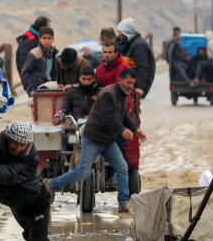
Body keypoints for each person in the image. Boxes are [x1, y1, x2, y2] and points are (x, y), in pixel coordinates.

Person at [44, 68, 147, 213]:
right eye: (128, 82)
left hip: (108, 141)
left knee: (122, 167)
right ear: (120, 81)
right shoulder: (107, 94)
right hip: (93, 137)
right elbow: (107, 116)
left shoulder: (124, 95)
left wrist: (136, 130)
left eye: (133, 83)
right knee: (82, 172)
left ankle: (123, 203)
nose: (131, 86)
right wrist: (122, 130)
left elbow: (122, 117)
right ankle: (52, 184)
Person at [116, 17, 156, 97]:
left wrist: (140, 87)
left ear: (126, 31)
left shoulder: (139, 46)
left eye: (120, 32)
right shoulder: (131, 44)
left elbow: (143, 68)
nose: (119, 34)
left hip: (135, 88)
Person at [21, 27, 59, 97]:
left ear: (53, 39)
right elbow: (25, 72)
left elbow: (55, 72)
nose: (47, 41)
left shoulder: (55, 53)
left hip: (52, 88)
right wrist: (32, 88)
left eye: (49, 38)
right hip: (39, 90)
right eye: (44, 38)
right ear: (39, 39)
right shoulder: (34, 53)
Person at [16, 16, 51, 86]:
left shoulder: (38, 41)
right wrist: (30, 86)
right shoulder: (28, 43)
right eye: (48, 28)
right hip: (34, 85)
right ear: (42, 28)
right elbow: (24, 67)